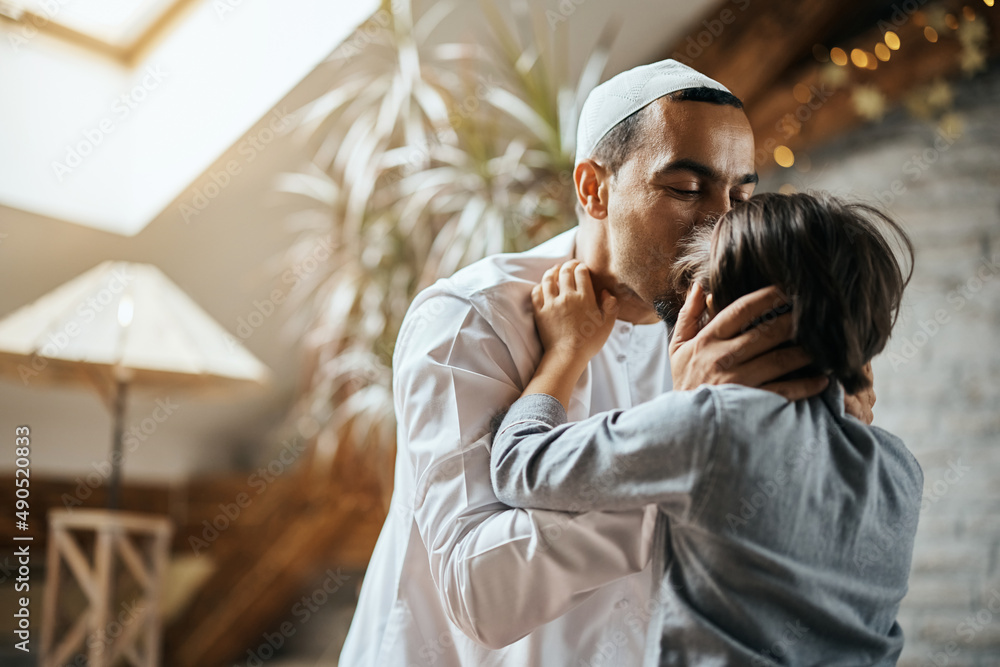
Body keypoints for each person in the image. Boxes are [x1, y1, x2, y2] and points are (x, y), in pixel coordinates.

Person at [340, 59, 869, 666]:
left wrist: (832, 445)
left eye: (741, 194)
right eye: (687, 189)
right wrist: (694, 467)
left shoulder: (739, 328)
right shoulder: (470, 321)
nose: (722, 224)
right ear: (594, 188)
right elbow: (480, 596)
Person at [490, 192, 922, 666]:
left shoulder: (711, 428)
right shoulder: (899, 468)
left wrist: (564, 352)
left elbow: (519, 464)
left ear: (709, 306)